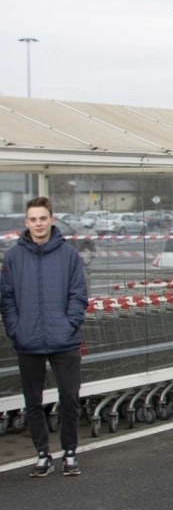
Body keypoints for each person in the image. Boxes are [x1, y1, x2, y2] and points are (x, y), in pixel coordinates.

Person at [1, 197, 88, 478]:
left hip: (64, 340)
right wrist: (16, 328)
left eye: (43, 218)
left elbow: (78, 295)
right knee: (33, 401)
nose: (38, 224)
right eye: (33, 219)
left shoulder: (69, 255)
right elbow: (7, 298)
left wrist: (69, 324)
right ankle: (42, 454)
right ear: (26, 223)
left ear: (51, 219)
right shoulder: (13, 257)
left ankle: (70, 452)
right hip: (28, 341)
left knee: (69, 398)